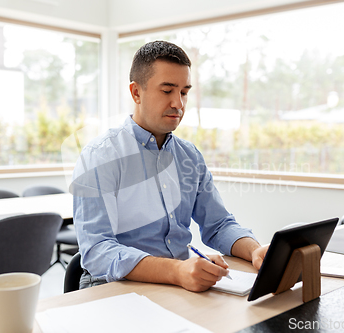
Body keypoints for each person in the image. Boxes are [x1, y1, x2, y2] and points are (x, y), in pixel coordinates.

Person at [72, 40, 268, 292]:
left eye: (184, 91)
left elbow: (219, 225)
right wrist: (177, 271)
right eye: (167, 91)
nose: (179, 103)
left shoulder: (190, 156)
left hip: (177, 283)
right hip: (113, 286)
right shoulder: (99, 156)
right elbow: (97, 250)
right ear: (136, 93)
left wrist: (256, 250)